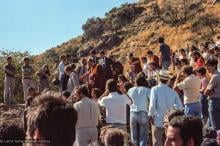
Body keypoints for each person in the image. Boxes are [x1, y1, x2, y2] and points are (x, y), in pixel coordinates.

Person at [148, 70, 183, 146]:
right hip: (169, 121)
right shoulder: (172, 92)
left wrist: (150, 116)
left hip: (157, 120)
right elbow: (180, 107)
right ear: (168, 80)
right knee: (167, 143)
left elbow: (152, 105)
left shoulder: (154, 89)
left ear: (159, 78)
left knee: (157, 142)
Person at [127, 74, 151, 146]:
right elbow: (151, 101)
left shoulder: (130, 90)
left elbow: (128, 102)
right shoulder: (147, 90)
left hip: (132, 114)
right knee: (143, 137)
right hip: (143, 113)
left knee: (134, 137)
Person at [205, 58, 220, 130]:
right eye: (206, 66)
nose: (207, 68)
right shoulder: (218, 74)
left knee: (215, 129)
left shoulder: (215, 76)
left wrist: (212, 91)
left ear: (214, 66)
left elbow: (206, 92)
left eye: (209, 66)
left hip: (214, 102)